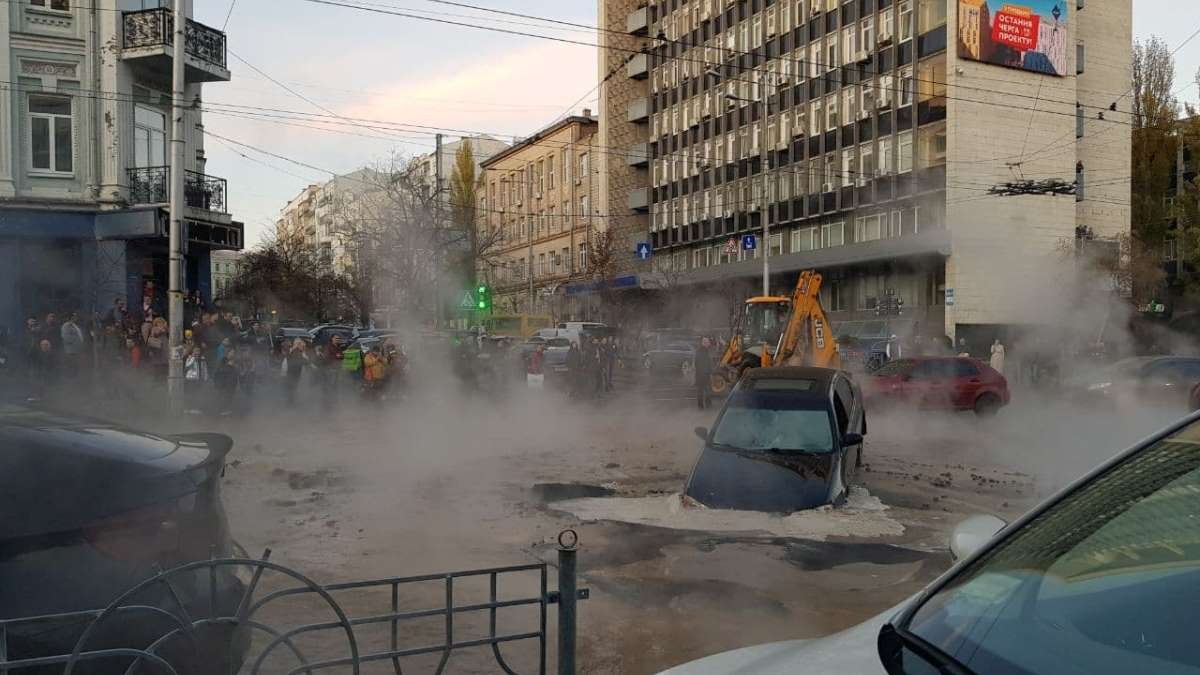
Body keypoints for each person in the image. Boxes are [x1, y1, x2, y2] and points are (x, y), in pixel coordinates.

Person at [212, 348, 239, 415]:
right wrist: (228, 365)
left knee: (229, 399)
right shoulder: (222, 360)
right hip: (223, 384)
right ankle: (219, 414)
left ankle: (227, 412)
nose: (233, 354)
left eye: (234, 353)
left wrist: (235, 367)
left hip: (232, 384)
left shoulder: (235, 361)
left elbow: (236, 373)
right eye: (231, 352)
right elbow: (218, 371)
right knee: (222, 399)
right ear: (228, 353)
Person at [284, 338, 310, 405]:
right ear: (297, 344)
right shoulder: (294, 351)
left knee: (294, 388)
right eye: (301, 345)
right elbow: (300, 361)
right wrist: (305, 358)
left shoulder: (297, 351)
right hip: (292, 373)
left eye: (304, 346)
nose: (303, 347)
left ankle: (292, 402)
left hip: (296, 373)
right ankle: (290, 403)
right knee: (292, 388)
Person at [183, 346, 208, 414]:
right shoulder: (190, 358)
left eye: (198, 351)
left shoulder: (202, 359)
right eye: (195, 351)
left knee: (198, 394)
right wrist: (193, 358)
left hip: (199, 379)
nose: (197, 352)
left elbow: (204, 368)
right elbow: (187, 366)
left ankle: (196, 408)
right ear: (193, 351)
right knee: (190, 394)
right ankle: (188, 408)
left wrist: (205, 377)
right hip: (191, 379)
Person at [694, 337, 714, 410]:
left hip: (700, 374)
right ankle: (706, 404)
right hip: (703, 374)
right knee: (705, 389)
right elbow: (705, 363)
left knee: (701, 390)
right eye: (708, 342)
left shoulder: (700, 351)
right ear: (704, 343)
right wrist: (709, 372)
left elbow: (696, 363)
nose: (709, 343)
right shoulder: (703, 351)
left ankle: (701, 405)